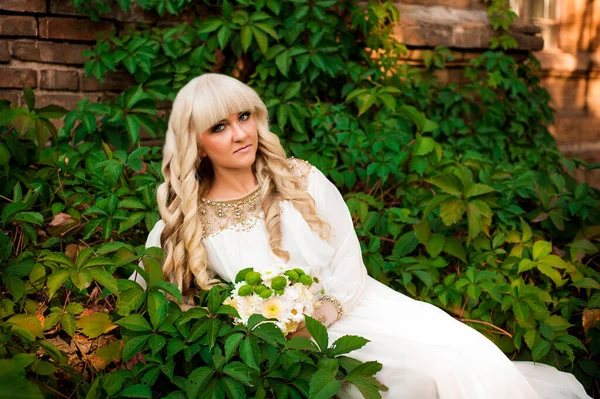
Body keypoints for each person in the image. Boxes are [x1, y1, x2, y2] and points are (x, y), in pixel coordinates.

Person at [132, 73, 591, 399]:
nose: (240, 134)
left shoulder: (301, 179)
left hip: (355, 305)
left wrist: (326, 309)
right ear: (196, 143)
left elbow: (348, 258)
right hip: (294, 344)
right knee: (436, 372)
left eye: (244, 117)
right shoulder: (187, 221)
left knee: (472, 352)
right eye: (219, 126)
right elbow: (153, 296)